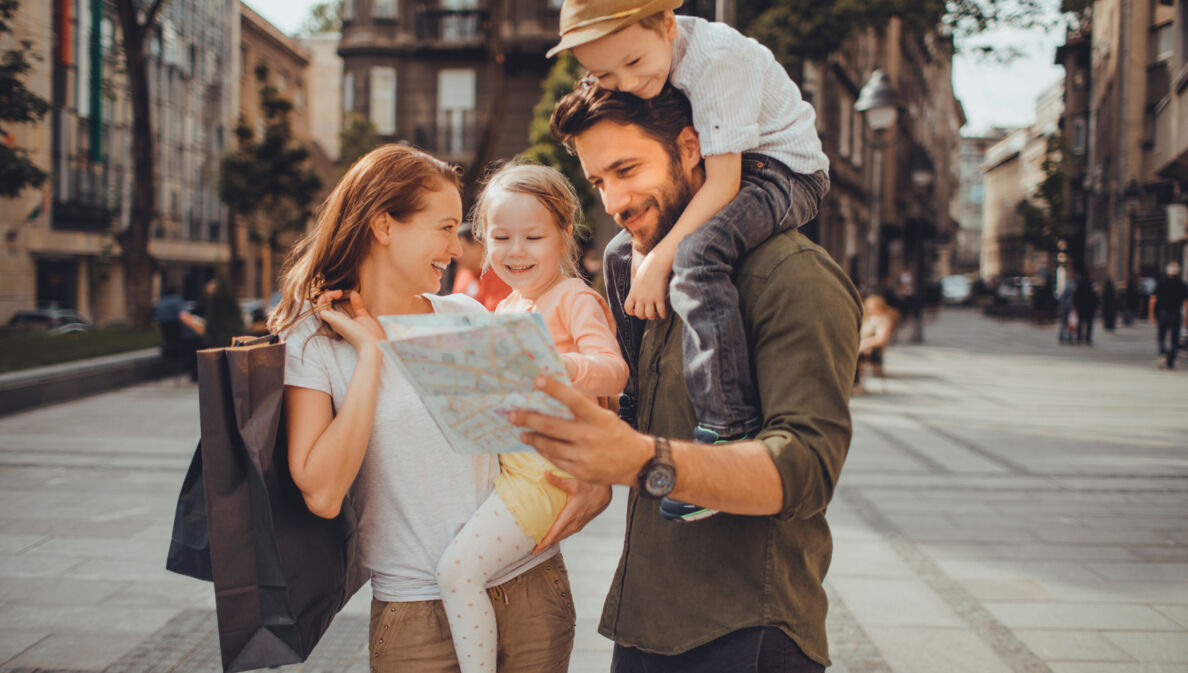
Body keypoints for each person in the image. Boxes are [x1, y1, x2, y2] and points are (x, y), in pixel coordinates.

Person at [510, 83, 859, 672]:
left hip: (749, 631)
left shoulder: (791, 276)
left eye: (627, 169)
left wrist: (641, 462)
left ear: (692, 147)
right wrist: (594, 460)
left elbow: (806, 468)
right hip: (643, 623)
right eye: (599, 181)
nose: (615, 199)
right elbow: (636, 414)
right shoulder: (630, 268)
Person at [269, 145, 576, 673]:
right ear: (384, 225)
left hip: (530, 589)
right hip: (414, 612)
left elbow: (537, 439)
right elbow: (321, 492)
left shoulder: (465, 315)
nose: (457, 248)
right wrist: (370, 355)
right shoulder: (314, 341)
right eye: (444, 227)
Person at [548, 0, 830, 521]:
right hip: (739, 164)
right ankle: (632, 408)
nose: (626, 84)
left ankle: (727, 424)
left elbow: (724, 181)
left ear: (667, 24)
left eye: (632, 64)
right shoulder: (648, 70)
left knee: (698, 256)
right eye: (604, 74)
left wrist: (658, 263)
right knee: (616, 253)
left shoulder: (715, 60)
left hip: (782, 171)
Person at [434, 162, 628, 673]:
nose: (515, 251)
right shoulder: (508, 309)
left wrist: (561, 364)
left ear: (564, 234)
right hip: (510, 466)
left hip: (545, 476)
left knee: (457, 571)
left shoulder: (573, 298)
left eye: (533, 236)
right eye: (501, 237)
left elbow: (614, 371)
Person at [451, 222, 513, 310]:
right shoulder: (463, 274)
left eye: (463, 249)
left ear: (478, 245)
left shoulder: (500, 274)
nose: (457, 257)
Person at [853, 294, 894, 394]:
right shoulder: (870, 319)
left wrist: (864, 344)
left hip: (873, 350)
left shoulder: (883, 320)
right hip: (864, 347)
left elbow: (880, 339)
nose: (869, 310)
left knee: (854, 356)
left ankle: (856, 384)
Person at [1149, 261, 1187, 369]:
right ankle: (1171, 360)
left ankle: (1163, 354)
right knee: (1174, 338)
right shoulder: (1182, 285)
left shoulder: (1161, 283)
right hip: (1176, 313)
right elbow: (1186, 303)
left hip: (1163, 313)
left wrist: (1151, 314)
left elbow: (1152, 299)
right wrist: (1186, 317)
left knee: (1161, 336)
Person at [1073, 273, 1100, 345]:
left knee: (1080, 323)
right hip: (1089, 308)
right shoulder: (1091, 284)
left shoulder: (1079, 284)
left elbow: (1075, 296)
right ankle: (1088, 338)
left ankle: (1079, 338)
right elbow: (1095, 296)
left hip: (1080, 308)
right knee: (1089, 323)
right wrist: (1096, 305)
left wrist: (1075, 305)